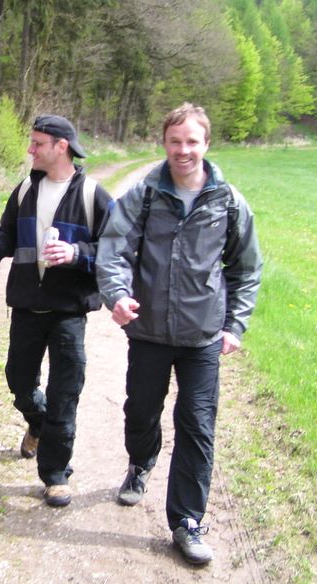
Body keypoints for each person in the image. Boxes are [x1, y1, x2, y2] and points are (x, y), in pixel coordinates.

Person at [96, 103, 262, 564]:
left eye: (192, 141)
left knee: (197, 425)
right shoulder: (144, 195)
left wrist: (235, 324)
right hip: (148, 331)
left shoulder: (228, 201)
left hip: (203, 336)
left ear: (206, 144)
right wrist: (117, 295)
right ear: (164, 143)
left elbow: (246, 268)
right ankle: (141, 462)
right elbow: (113, 250)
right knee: (141, 412)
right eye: (175, 141)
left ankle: (187, 520)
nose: (183, 150)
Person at [0, 115, 113, 508]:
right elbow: (7, 233)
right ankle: (38, 422)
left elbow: (116, 248)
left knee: (64, 393)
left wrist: (76, 253)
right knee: (19, 381)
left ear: (61, 147)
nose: (30, 149)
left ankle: (55, 474)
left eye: (37, 143)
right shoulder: (25, 189)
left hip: (68, 312)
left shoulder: (93, 195)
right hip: (27, 307)